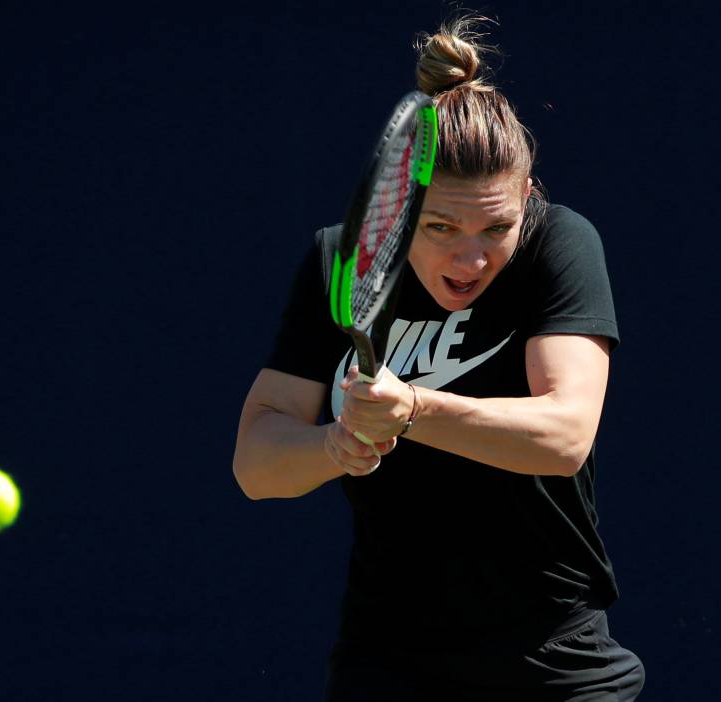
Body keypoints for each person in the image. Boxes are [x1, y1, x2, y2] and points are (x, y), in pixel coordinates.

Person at [232, 16, 645, 702]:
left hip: (551, 665)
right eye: (442, 227)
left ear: (527, 198)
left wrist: (414, 407)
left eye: (497, 227)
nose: (472, 258)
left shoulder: (559, 246)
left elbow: (565, 435)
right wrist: (336, 443)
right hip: (389, 661)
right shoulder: (343, 262)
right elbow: (255, 464)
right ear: (395, 214)